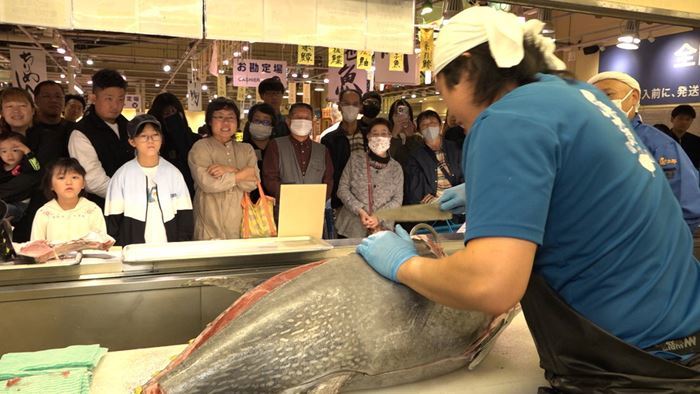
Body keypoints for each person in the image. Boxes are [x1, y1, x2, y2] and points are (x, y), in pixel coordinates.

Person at [357, 6, 700, 390]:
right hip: (682, 339)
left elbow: (491, 285)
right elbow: (588, 187)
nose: (451, 115)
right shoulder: (582, 95)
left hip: (628, 365)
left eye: (444, 92)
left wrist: (403, 265)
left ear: (467, 67)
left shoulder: (507, 118)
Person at [588, 71, 700, 233]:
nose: (600, 102)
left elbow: (686, 207)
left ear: (633, 97)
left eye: (608, 94)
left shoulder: (659, 145)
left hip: (640, 247)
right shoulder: (584, 141)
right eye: (593, 98)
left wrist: (661, 248)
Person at [104, 115, 193, 246]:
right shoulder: (122, 176)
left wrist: (181, 248)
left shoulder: (173, 174)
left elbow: (185, 216)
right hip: (134, 251)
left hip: (168, 250)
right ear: (132, 141)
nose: (150, 140)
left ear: (161, 139)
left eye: (155, 135)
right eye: (143, 136)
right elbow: (113, 220)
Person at [188, 98, 259, 240]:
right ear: (209, 121)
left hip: (241, 224)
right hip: (209, 224)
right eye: (220, 117)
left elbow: (253, 183)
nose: (226, 122)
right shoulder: (201, 147)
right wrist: (242, 174)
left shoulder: (246, 149)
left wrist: (229, 169)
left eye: (230, 117)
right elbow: (209, 184)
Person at [68, 69, 134, 209]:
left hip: (133, 208)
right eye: (108, 99)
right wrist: (132, 195)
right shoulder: (81, 132)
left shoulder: (128, 126)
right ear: (93, 98)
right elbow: (94, 182)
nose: (115, 105)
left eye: (120, 99)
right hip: (100, 209)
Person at [335, 118, 402, 238]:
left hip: (382, 230)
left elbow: (397, 199)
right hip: (351, 228)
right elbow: (342, 189)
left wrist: (379, 216)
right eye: (375, 134)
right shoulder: (355, 159)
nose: (379, 137)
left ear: (390, 137)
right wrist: (360, 210)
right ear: (368, 137)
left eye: (384, 133)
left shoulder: (396, 168)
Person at [262, 102, 333, 204]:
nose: (302, 121)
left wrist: (318, 199)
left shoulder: (322, 150)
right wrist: (292, 197)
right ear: (288, 121)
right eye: (298, 117)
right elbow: (270, 178)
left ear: (313, 122)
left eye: (307, 118)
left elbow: (328, 180)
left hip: (314, 208)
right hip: (284, 208)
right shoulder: (276, 145)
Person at [30, 158, 107, 243]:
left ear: (83, 183)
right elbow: (36, 246)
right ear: (51, 185)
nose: (69, 182)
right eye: (61, 178)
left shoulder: (92, 210)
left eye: (74, 177)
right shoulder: (44, 213)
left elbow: (101, 243)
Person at [147, 92, 200, 198]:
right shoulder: (153, 145)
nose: (171, 117)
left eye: (174, 112)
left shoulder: (196, 141)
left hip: (192, 196)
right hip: (162, 198)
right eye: (166, 114)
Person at [404, 110, 463, 205]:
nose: (429, 127)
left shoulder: (455, 149)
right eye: (424, 125)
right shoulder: (415, 156)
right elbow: (416, 188)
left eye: (433, 123)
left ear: (440, 126)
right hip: (433, 209)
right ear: (419, 130)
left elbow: (465, 175)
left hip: (457, 206)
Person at [321, 88, 366, 209]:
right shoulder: (329, 139)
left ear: (360, 107)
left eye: (355, 104)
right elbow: (329, 174)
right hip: (341, 202)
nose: (351, 107)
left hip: (368, 199)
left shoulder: (369, 135)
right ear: (340, 106)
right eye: (346, 104)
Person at [27, 81, 74, 167]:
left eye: (58, 96)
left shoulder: (74, 130)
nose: (53, 100)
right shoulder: (28, 131)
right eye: (46, 96)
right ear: (36, 100)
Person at [0, 132, 40, 223]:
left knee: (7, 209)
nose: (9, 155)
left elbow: (36, 167)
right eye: (4, 151)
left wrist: (27, 152)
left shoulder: (25, 165)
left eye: (15, 150)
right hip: (4, 200)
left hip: (19, 205)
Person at [242, 102, 276, 171]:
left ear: (272, 126)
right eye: (256, 120)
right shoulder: (242, 148)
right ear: (250, 123)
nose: (261, 124)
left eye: (266, 122)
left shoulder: (278, 148)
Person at [387, 98, 422, 165]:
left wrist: (410, 137)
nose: (401, 117)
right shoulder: (384, 136)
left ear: (409, 116)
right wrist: (394, 135)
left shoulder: (418, 138)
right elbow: (387, 159)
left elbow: (419, 159)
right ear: (392, 116)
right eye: (397, 113)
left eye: (405, 113)